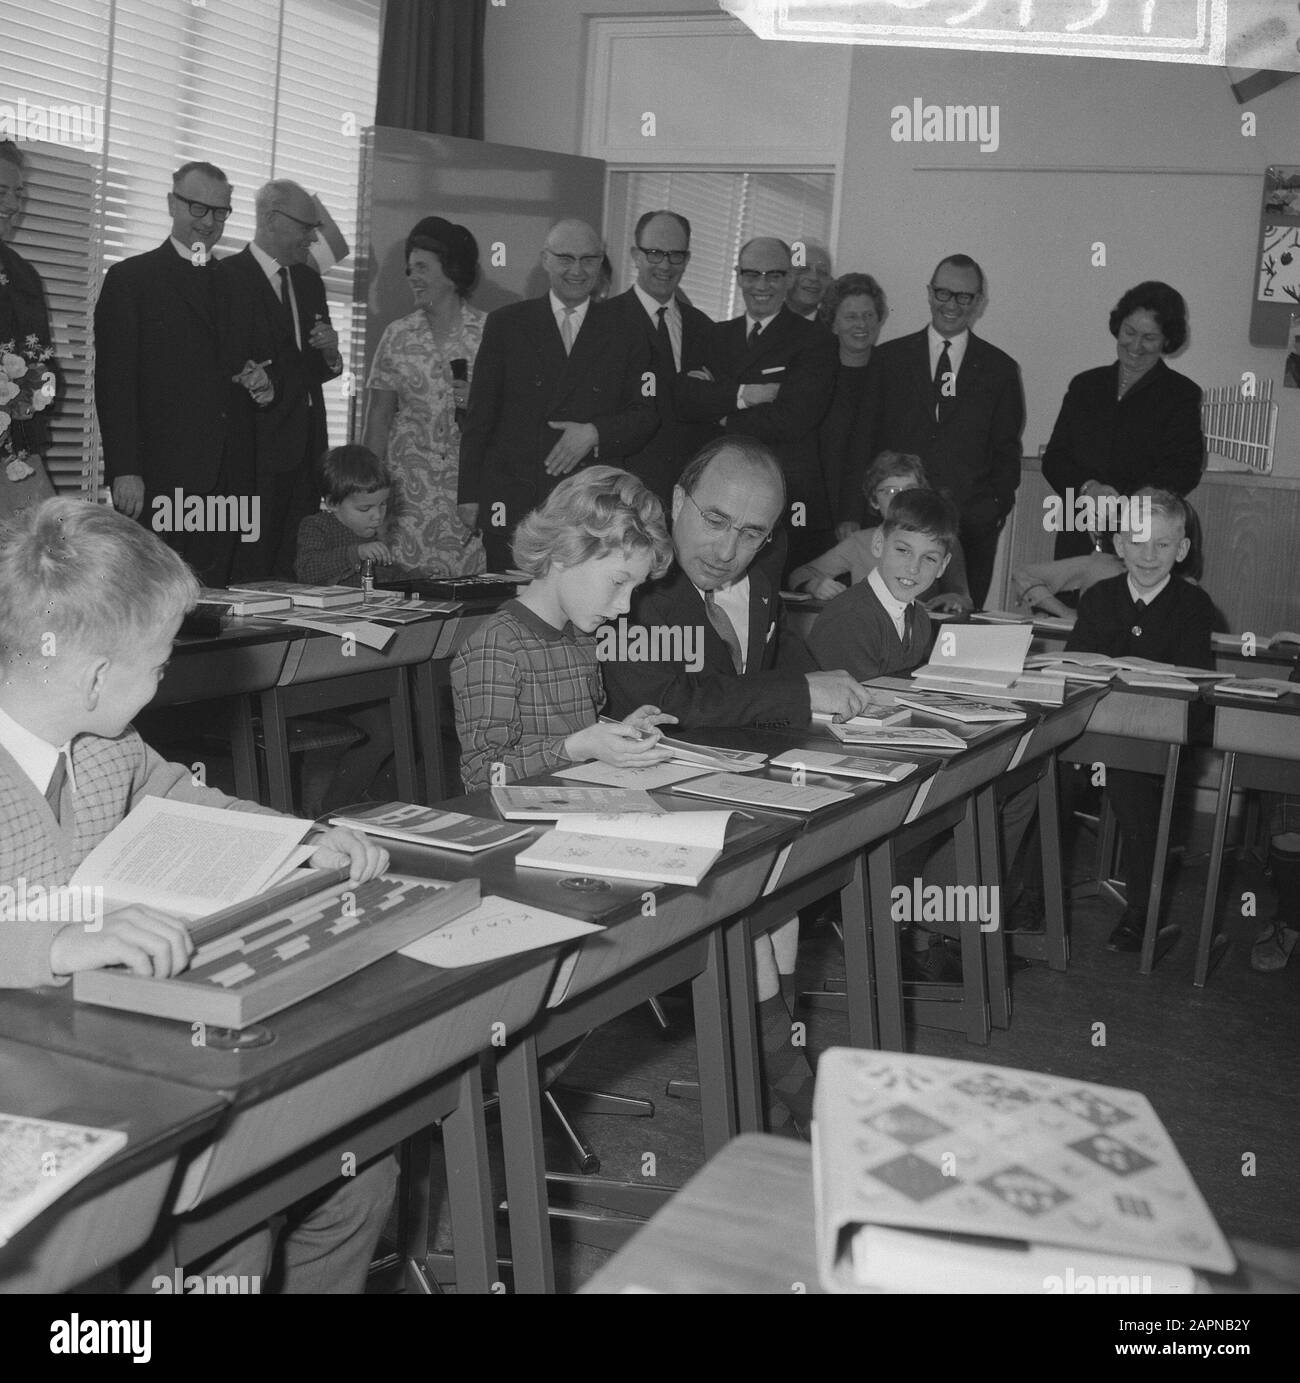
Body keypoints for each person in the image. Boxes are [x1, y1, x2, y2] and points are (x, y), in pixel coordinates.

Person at [0, 497, 395, 1291]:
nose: (165, 676)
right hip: (34, 1091)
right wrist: (53, 943)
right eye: (159, 662)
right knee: (227, 1244)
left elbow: (180, 796)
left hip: (109, 1044)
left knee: (363, 1175)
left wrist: (300, 839)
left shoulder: (107, 740)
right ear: (97, 676)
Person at [602, 436, 877, 1134]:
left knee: (788, 881)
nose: (728, 549)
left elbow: (767, 654)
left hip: (736, 782)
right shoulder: (640, 581)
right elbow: (675, 700)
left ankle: (771, 1082)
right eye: (715, 520)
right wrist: (795, 692)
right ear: (675, 504)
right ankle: (799, 1095)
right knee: (753, 901)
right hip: (641, 787)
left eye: (751, 532)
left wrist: (832, 689)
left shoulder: (762, 566)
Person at [93, 160, 270, 586]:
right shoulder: (130, 279)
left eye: (220, 212)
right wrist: (125, 469)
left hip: (227, 479)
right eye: (197, 208)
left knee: (212, 606)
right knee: (152, 600)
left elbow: (244, 366)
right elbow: (114, 383)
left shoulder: (238, 285)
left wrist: (259, 383)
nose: (208, 223)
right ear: (172, 204)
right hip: (157, 479)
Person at [451, 466, 677, 793]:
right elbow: (480, 775)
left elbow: (574, 735)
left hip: (575, 803)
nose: (626, 607)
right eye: (617, 582)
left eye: (634, 589)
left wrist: (617, 736)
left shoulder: (583, 637)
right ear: (563, 552)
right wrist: (578, 747)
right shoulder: (495, 647)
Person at [456, 219, 657, 572]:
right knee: (511, 610)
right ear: (545, 259)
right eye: (565, 258)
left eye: (589, 260)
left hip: (590, 503)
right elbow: (480, 415)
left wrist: (594, 433)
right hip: (516, 498)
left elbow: (646, 413)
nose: (577, 270)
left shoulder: (628, 330)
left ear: (601, 262)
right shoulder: (507, 324)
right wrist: (470, 495)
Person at [1065, 488, 1215, 952]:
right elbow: (1075, 668)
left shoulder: (1193, 606)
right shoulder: (1099, 597)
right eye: (1138, 541)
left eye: (1163, 545)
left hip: (1155, 738)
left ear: (1182, 550)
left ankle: (1142, 914)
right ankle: (1033, 898)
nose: (1149, 555)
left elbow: (1193, 688)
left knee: (1134, 791)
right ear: (1118, 544)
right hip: (1092, 731)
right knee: (1044, 781)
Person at [860, 254, 1025, 607]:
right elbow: (866, 441)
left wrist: (993, 509)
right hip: (898, 526)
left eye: (964, 297)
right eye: (943, 293)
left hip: (971, 527)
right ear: (929, 292)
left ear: (979, 302)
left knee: (957, 625)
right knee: (891, 620)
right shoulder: (889, 359)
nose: (952, 305)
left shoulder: (1001, 370)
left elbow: (1006, 450)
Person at [677, 238, 837, 573]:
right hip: (719, 495)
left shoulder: (815, 340)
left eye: (773, 275)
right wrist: (745, 395)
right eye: (752, 274)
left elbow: (793, 418)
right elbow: (688, 401)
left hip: (785, 497)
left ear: (789, 278)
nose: (761, 285)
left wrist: (721, 413)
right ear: (737, 275)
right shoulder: (714, 336)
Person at [219, 179, 344, 582]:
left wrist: (330, 354)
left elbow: (311, 369)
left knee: (297, 567)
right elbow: (228, 368)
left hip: (308, 450)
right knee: (251, 569)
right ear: (271, 220)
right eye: (306, 226)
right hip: (257, 452)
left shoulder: (309, 282)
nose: (312, 236)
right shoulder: (227, 279)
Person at [1042, 281, 1204, 563]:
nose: (1135, 346)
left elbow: (1184, 467)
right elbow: (1055, 458)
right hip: (1077, 529)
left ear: (1167, 340)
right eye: (1129, 332)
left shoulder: (1181, 394)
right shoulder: (1085, 385)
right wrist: (1088, 489)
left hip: (1143, 537)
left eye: (1149, 337)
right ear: (1118, 327)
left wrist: (1126, 503)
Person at [363, 216, 487, 575]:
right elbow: (378, 420)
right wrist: (368, 496)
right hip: (406, 501)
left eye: (422, 267)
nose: (412, 276)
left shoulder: (491, 334)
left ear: (451, 270)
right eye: (409, 268)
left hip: (467, 496)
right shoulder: (397, 335)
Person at [294, 445, 400, 813]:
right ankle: (332, 811)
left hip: (366, 660)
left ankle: (357, 804)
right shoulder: (316, 527)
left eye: (383, 507)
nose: (377, 517)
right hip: (325, 663)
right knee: (385, 731)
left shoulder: (372, 538)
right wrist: (356, 554)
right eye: (365, 509)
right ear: (331, 502)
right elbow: (307, 571)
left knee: (399, 725)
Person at [603, 210, 714, 506]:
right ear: (635, 255)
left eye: (675, 255)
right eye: (654, 253)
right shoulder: (602, 322)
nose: (665, 265)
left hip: (688, 497)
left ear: (687, 259)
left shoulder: (705, 328)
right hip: (621, 494)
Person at [789, 450, 972, 612]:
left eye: (910, 490)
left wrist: (954, 599)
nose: (900, 497)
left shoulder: (944, 540)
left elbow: (962, 595)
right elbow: (801, 574)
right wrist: (814, 585)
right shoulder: (858, 541)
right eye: (890, 490)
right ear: (873, 500)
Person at [806, 488, 956, 681]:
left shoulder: (919, 619)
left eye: (929, 558)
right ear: (878, 543)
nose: (913, 568)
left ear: (943, 565)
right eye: (903, 550)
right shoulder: (851, 618)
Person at [0, 141, 56, 471]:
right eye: (1, 191)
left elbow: (43, 359)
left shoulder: (24, 274)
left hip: (17, 451)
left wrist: (43, 389)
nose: (11, 203)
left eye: (18, 193)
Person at [817, 272, 887, 533]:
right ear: (833, 324)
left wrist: (853, 513)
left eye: (868, 316)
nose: (862, 324)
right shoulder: (814, 373)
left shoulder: (892, 373)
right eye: (851, 316)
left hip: (872, 515)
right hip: (817, 509)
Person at [785, 241, 833, 321]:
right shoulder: (762, 322)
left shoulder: (835, 330)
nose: (814, 278)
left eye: (822, 272)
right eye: (804, 269)